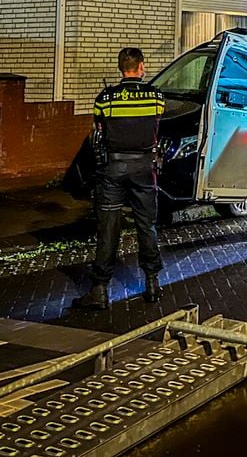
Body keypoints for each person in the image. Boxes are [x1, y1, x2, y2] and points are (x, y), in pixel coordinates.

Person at [75, 47, 166, 310]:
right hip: (144, 168)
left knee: (108, 228)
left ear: (120, 68)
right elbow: (157, 119)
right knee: (146, 225)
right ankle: (152, 283)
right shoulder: (156, 97)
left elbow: (98, 127)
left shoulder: (106, 98)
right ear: (141, 67)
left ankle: (100, 289)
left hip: (112, 169)